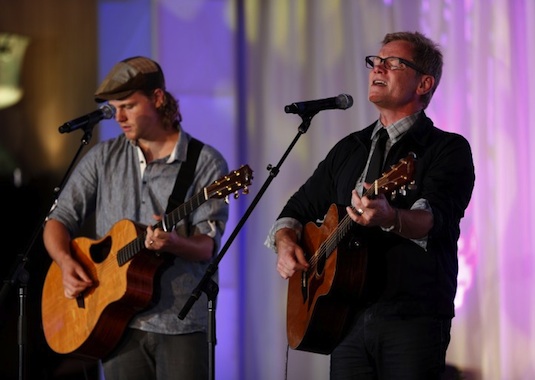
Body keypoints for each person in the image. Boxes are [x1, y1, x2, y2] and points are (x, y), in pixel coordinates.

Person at [266, 31, 475, 379]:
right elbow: (296, 209)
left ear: (424, 83)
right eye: (376, 61)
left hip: (411, 317)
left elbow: (433, 219)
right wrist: (286, 242)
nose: (378, 67)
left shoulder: (446, 149)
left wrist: (391, 218)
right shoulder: (350, 148)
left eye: (393, 63)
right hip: (345, 318)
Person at [42, 56, 229, 380]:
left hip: (180, 321)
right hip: (115, 323)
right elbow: (59, 220)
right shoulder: (104, 156)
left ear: (158, 98)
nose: (119, 117)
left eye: (128, 106)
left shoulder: (205, 162)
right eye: (114, 108)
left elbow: (206, 248)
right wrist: (64, 262)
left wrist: (174, 243)